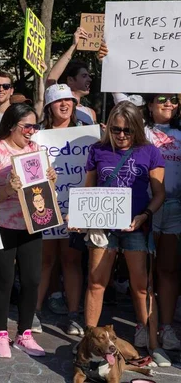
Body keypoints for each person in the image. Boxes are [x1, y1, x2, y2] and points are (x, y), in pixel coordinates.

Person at [80, 101, 170, 366]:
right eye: (116, 129)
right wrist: (79, 215)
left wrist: (145, 215)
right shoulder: (98, 150)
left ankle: (154, 346)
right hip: (103, 227)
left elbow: (159, 193)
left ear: (137, 129)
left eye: (127, 130)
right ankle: (88, 344)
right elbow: (88, 188)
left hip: (136, 227)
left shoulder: (150, 152)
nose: (121, 135)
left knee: (142, 288)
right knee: (96, 283)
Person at [0, 103, 56, 359]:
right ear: (12, 125)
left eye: (35, 126)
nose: (32, 131)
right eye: (27, 126)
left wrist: (50, 179)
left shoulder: (35, 149)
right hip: (3, 224)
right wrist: (9, 188)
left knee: (33, 280)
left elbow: (42, 188)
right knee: (4, 279)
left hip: (32, 223)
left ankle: (24, 334)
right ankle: (0, 333)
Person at [34, 84, 86, 337]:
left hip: (74, 208)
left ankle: (73, 315)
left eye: (69, 101)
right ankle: (34, 312)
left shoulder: (85, 136)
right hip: (45, 207)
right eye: (58, 101)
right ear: (48, 107)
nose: (64, 105)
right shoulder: (38, 137)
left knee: (71, 261)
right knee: (44, 261)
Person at [141, 94, 181, 351]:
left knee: (168, 270)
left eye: (174, 100)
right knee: (144, 274)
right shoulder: (139, 131)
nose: (168, 104)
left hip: (176, 208)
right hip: (145, 208)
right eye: (162, 99)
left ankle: (166, 327)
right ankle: (144, 325)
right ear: (149, 104)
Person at [47, 27, 96, 125]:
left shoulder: (90, 113)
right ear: (70, 80)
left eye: (89, 76)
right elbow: (51, 78)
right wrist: (73, 46)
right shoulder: (56, 105)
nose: (89, 79)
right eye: (84, 76)